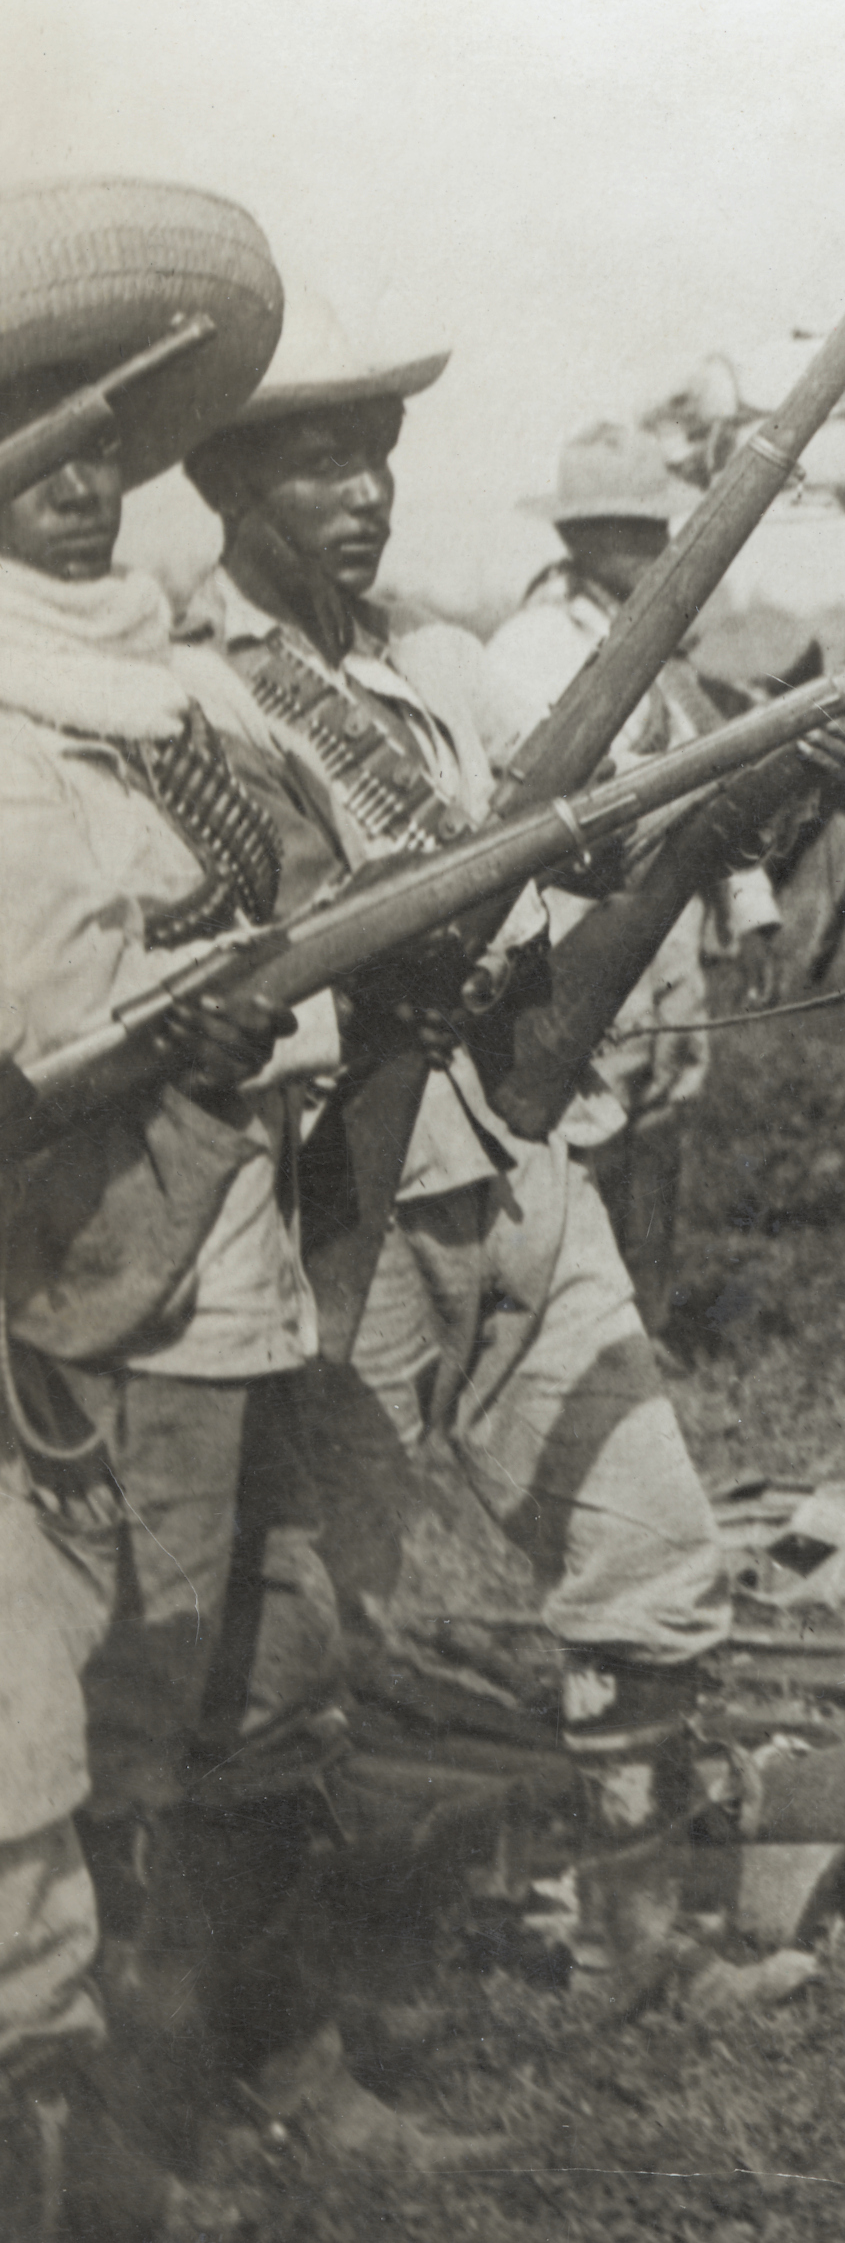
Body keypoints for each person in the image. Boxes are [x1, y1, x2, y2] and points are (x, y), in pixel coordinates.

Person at [182, 297, 761, 1990]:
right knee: (301, 1620)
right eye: (316, 457)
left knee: (647, 1536)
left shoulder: (430, 661)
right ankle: (282, 2009)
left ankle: (646, 1942)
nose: (360, 488)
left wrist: (729, 793)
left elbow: (568, 851)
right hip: (327, 1193)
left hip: (512, 1154)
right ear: (226, 477)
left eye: (375, 454)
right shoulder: (186, 691)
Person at [0, 179, 421, 2205]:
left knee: (281, 1680)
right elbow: (44, 1015)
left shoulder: (190, 685)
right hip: (112, 1265)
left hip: (249, 1237)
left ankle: (270, 2060)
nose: (80, 490)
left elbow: (312, 911)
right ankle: (120, 2150)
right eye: (36, 452)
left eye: (105, 446)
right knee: (137, 1726)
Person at [481, 422, 786, 1327]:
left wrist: (752, 905)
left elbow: (717, 783)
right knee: (588, 1113)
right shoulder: (531, 647)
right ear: (577, 540)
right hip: (576, 920)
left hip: (671, 919)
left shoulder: (668, 651)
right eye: (628, 532)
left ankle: (648, 1320)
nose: (651, 551)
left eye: (657, 531)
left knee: (666, 1102)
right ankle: (581, 1318)